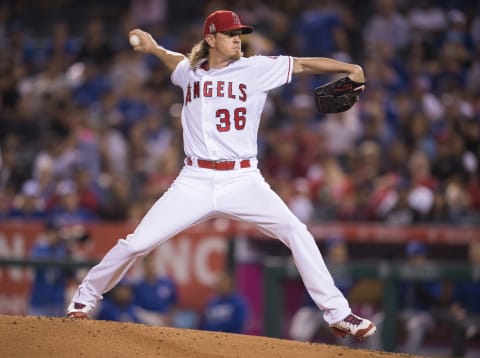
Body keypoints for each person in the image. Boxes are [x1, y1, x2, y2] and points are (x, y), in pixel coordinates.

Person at [66, 9, 375, 340]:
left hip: (243, 179)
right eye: (230, 35)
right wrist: (155, 49)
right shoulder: (190, 73)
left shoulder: (255, 69)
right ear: (211, 39)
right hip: (194, 180)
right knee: (137, 244)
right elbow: (176, 62)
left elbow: (302, 64)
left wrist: (350, 68)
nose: (237, 40)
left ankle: (339, 314)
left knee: (296, 231)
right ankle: (83, 301)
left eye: (239, 34)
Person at [28, 221, 73, 317]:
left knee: (56, 330)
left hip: (57, 301)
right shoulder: (39, 249)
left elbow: (72, 274)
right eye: (50, 233)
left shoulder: (64, 250)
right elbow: (34, 261)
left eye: (55, 233)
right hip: (39, 300)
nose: (53, 236)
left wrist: (69, 250)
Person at [132, 254, 178, 326]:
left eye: (152, 265)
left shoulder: (167, 283)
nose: (150, 268)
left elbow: (174, 303)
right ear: (143, 268)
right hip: (146, 321)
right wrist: (151, 319)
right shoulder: (138, 286)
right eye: (148, 266)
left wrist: (170, 317)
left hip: (165, 320)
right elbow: (135, 309)